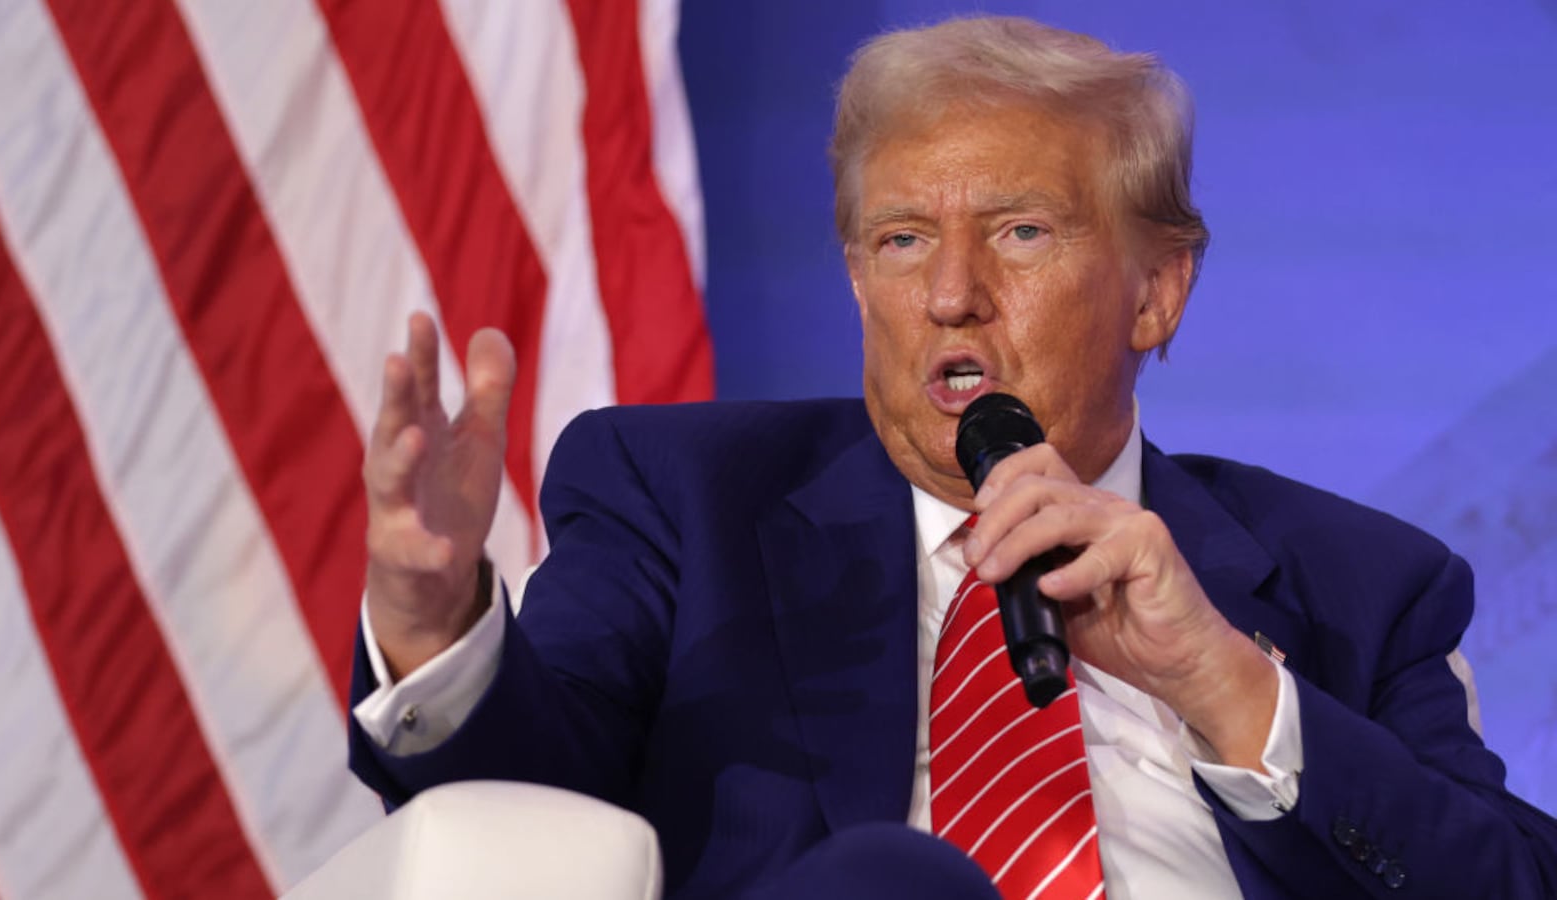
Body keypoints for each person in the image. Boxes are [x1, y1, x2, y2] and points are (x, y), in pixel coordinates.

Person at [348, 15, 1557, 899]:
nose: (950, 295)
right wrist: (433, 617)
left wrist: (1226, 688)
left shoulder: (1359, 582)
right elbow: (515, 808)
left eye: (1022, 232)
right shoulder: (682, 499)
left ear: (1157, 289)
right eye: (901, 238)